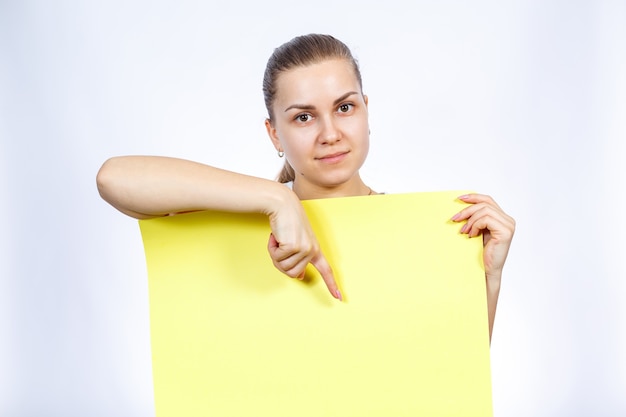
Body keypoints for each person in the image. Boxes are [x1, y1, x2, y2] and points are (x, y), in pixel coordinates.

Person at [97, 34, 515, 340]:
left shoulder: (418, 232)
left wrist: (488, 277)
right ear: (274, 134)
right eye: (303, 117)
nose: (330, 133)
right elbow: (114, 178)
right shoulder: (237, 219)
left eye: (344, 107)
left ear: (366, 111)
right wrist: (277, 198)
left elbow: (452, 369)